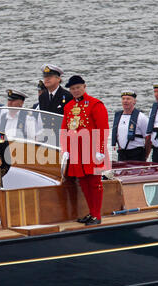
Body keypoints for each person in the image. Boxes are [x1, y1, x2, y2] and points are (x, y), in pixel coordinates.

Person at [60, 75, 110, 226]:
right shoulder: (68, 106)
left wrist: (100, 150)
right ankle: (91, 212)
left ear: (84, 86)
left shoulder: (95, 104)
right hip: (76, 151)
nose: (75, 91)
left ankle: (96, 215)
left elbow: (103, 129)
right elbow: (64, 129)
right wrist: (65, 149)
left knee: (94, 183)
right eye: (72, 89)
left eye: (78, 88)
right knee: (83, 182)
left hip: (92, 150)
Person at [112, 90, 151, 161]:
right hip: (122, 153)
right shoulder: (118, 117)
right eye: (123, 99)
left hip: (136, 153)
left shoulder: (141, 117)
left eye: (128, 99)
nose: (125, 101)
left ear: (134, 101)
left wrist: (145, 156)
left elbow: (148, 138)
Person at [38, 64, 74, 140]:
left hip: (63, 138)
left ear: (58, 79)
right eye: (45, 76)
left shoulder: (68, 96)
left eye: (50, 77)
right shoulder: (42, 97)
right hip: (47, 138)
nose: (46, 79)